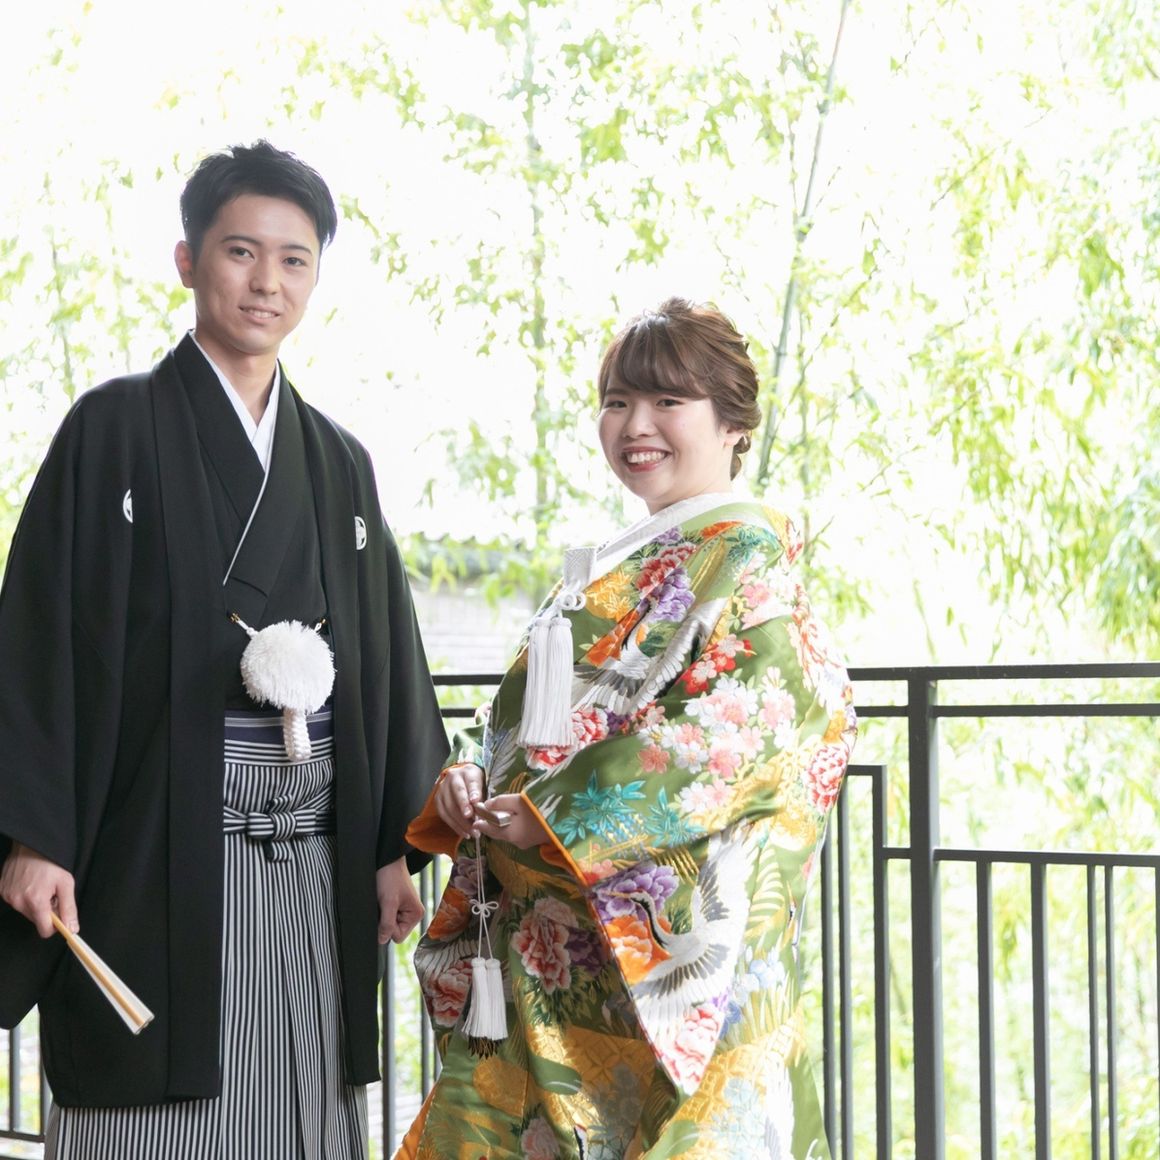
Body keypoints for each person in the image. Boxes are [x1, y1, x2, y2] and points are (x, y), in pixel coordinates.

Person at [0, 141, 449, 1158]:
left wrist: (391, 843)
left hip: (315, 845)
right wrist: (36, 835)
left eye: (294, 260)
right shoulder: (112, 428)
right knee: (145, 1094)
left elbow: (384, 661)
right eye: (241, 251)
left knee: (304, 1091)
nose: (266, 281)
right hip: (150, 841)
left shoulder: (337, 460)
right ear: (187, 260)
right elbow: (41, 637)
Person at [398, 297, 857, 1159]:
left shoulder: (748, 560)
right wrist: (469, 776)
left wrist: (555, 813)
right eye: (617, 402)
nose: (635, 425)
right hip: (552, 947)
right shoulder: (623, 559)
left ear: (732, 424)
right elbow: (517, 721)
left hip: (658, 968)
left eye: (666, 401)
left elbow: (743, 736)